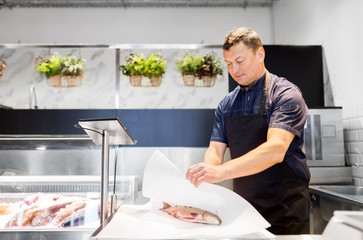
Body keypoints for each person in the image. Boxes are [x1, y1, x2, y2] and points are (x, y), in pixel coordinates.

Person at [185, 27, 311, 235]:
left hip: (285, 211)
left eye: (240, 61)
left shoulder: (285, 95)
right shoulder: (226, 104)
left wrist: (221, 171)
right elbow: (215, 151)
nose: (234, 70)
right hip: (244, 209)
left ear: (260, 54)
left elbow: (275, 149)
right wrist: (207, 174)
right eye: (228, 64)